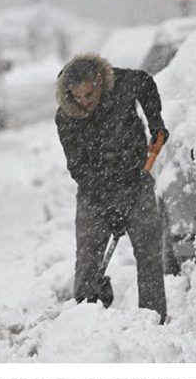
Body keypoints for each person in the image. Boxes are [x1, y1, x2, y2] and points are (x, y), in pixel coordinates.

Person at [55, 53, 169, 323]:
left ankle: (153, 319)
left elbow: (145, 82)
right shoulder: (67, 117)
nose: (85, 102)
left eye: (89, 94)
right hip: (93, 192)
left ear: (99, 82)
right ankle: (85, 315)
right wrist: (110, 206)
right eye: (78, 96)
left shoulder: (121, 83)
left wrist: (156, 122)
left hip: (137, 180)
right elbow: (78, 167)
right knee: (87, 256)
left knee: (149, 253)